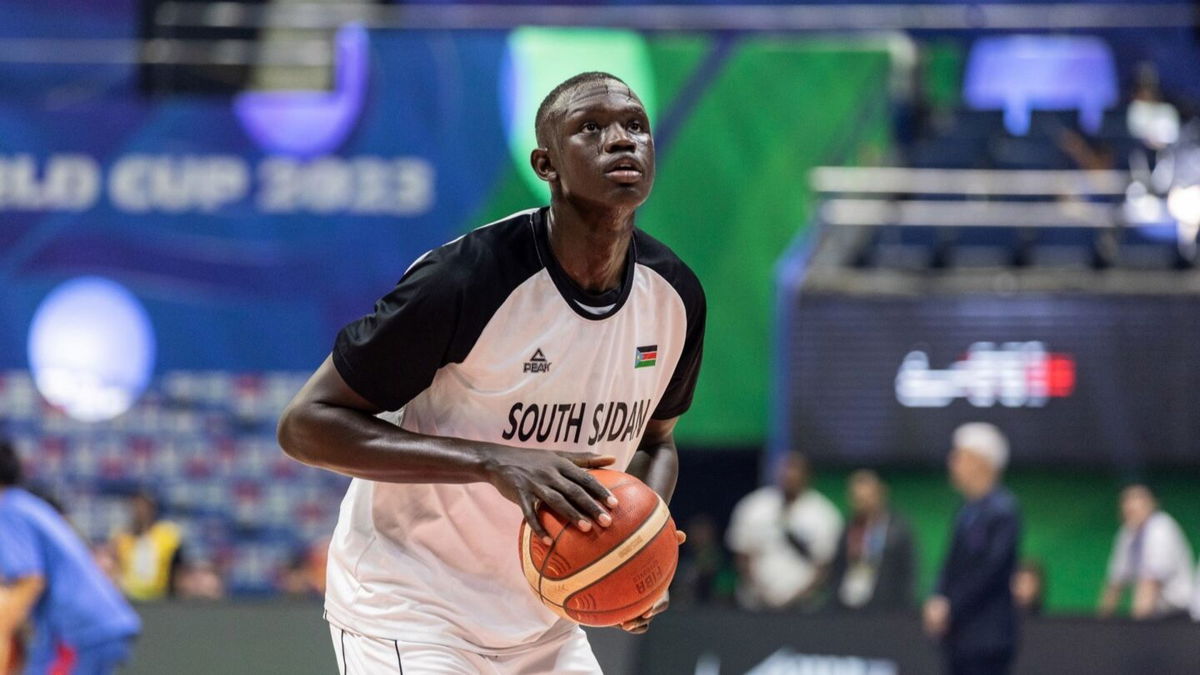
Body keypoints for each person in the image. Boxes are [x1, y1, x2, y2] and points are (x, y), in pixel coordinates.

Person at [278, 71, 705, 673]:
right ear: (545, 163)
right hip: (411, 605)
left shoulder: (675, 297)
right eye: (591, 129)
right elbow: (305, 425)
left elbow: (658, 443)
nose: (621, 141)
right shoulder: (468, 279)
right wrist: (490, 460)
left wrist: (638, 541)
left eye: (635, 126)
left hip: (544, 615)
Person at [0, 439, 141, 674]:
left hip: (77, 630)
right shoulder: (24, 505)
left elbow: (30, 580)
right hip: (90, 627)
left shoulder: (9, 510)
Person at [924, 423, 1021, 675]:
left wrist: (950, 605)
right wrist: (938, 597)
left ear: (981, 462)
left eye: (960, 456)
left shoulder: (1003, 511)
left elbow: (990, 570)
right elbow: (951, 564)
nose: (952, 462)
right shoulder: (966, 511)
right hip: (959, 637)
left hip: (987, 640)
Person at [725, 452, 843, 610]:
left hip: (803, 607)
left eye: (796, 470)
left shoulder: (824, 513)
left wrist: (794, 599)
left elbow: (824, 565)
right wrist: (762, 593)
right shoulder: (754, 506)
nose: (790, 475)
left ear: (808, 475)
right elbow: (742, 554)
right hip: (756, 602)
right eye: (786, 469)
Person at [1098, 484, 1193, 620]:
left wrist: (1137, 630)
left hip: (1177, 617)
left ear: (1152, 504)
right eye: (1126, 501)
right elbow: (1115, 584)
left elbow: (1150, 584)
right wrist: (1100, 627)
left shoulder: (1161, 529)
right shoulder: (1128, 532)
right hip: (1152, 617)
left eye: (1138, 500)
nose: (1130, 506)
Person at [830, 469, 916, 611]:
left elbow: (907, 574)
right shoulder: (848, 528)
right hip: (846, 608)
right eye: (856, 499)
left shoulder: (898, 529)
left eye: (865, 498)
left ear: (880, 493)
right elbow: (837, 569)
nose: (861, 504)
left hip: (883, 611)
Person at [110, 491, 185, 601]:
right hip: (129, 597)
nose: (140, 510)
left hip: (161, 596)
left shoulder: (167, 534)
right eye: (136, 506)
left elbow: (177, 567)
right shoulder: (122, 537)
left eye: (144, 506)